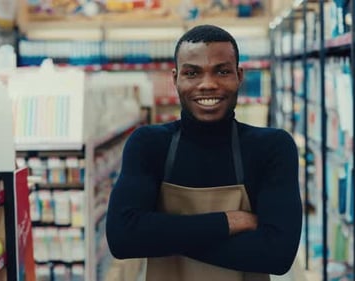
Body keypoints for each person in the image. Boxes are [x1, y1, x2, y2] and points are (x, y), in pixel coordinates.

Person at [106, 24, 303, 281]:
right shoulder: (149, 144)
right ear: (175, 78)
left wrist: (160, 235)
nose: (207, 84)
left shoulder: (272, 147)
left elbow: (277, 255)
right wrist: (229, 222)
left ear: (239, 76)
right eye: (192, 73)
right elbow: (123, 239)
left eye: (222, 71)